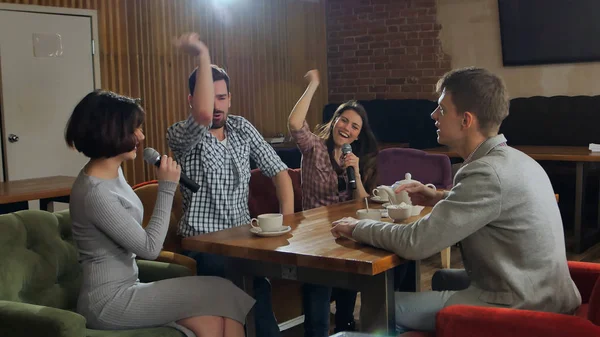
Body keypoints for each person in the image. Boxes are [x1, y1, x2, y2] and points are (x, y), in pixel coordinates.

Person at [331, 67, 581, 333]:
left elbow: (416, 242)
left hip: (523, 308)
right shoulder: (518, 161)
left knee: (380, 303)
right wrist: (436, 195)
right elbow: (493, 204)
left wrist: (357, 227)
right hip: (548, 295)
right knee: (441, 277)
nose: (433, 115)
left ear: (466, 121)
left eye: (441, 109)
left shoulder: (485, 172)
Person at [66, 90, 254, 337]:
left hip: (129, 288)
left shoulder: (112, 172)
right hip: (107, 303)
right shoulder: (95, 192)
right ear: (111, 132)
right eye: (134, 130)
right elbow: (150, 248)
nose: (141, 136)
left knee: (213, 321)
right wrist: (167, 188)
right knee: (223, 290)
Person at [166, 33, 294, 337]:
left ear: (230, 98)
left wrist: (287, 221)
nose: (217, 105)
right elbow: (203, 115)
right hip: (203, 244)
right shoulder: (181, 134)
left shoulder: (241, 127)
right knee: (244, 290)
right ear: (193, 99)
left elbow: (280, 173)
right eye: (210, 96)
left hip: (243, 240)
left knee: (260, 287)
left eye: (222, 97)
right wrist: (203, 53)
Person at [288, 69, 379, 334]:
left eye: (354, 126)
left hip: (345, 235)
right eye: (344, 120)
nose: (347, 128)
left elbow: (362, 204)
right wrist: (314, 85)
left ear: (358, 135)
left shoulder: (355, 161)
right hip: (315, 238)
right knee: (317, 309)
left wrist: (357, 172)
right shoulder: (314, 147)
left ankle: (345, 329)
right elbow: (295, 124)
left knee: (347, 304)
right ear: (335, 120)